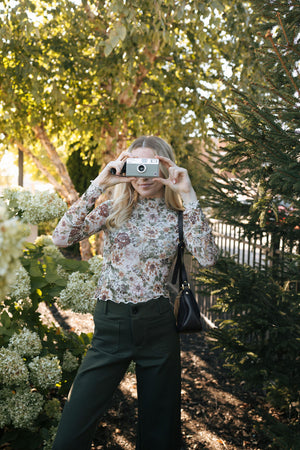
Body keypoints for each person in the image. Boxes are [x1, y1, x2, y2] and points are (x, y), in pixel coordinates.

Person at [51, 136, 218, 450]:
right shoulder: (113, 210)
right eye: (134, 166)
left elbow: (208, 258)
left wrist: (188, 193)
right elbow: (61, 238)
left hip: (158, 327)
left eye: (151, 166)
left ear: (166, 168)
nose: (142, 176)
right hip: (110, 326)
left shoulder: (179, 217)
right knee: (73, 428)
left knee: (160, 434)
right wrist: (99, 184)